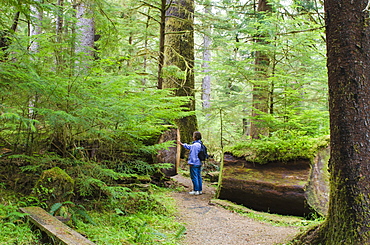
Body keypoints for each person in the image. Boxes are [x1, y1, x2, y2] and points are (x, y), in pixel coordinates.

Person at [177, 131, 203, 195]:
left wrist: (191, 162)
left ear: (195, 137)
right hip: (199, 163)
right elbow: (189, 147)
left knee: (194, 177)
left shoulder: (195, 145)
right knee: (198, 176)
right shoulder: (199, 144)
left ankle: (196, 190)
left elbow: (193, 155)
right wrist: (182, 144)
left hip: (194, 163)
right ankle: (199, 190)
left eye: (193, 136)